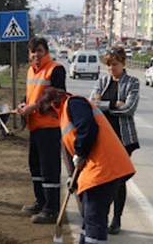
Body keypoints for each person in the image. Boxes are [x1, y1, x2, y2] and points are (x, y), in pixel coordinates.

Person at [35, 87, 135, 244]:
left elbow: (88, 128)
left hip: (105, 169)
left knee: (94, 217)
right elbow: (71, 151)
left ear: (53, 105)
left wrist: (80, 153)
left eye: (50, 114)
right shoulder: (64, 117)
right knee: (88, 215)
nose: (53, 118)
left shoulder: (74, 103)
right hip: (94, 171)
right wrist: (73, 178)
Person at [89, 46, 140, 235]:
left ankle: (116, 218)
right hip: (103, 138)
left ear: (123, 63)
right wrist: (112, 104)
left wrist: (103, 105)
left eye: (115, 64)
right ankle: (101, 215)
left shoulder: (132, 82)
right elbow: (91, 104)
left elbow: (129, 109)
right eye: (109, 64)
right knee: (103, 178)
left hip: (123, 139)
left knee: (119, 180)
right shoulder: (102, 80)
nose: (111, 68)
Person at [17, 37, 66, 224]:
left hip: (49, 127)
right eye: (32, 51)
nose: (36, 54)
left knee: (49, 169)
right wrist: (24, 103)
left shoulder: (55, 69)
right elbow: (33, 93)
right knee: (35, 167)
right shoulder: (31, 70)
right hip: (34, 126)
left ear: (45, 51)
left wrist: (34, 107)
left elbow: (58, 96)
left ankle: (51, 209)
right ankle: (41, 201)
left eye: (39, 50)